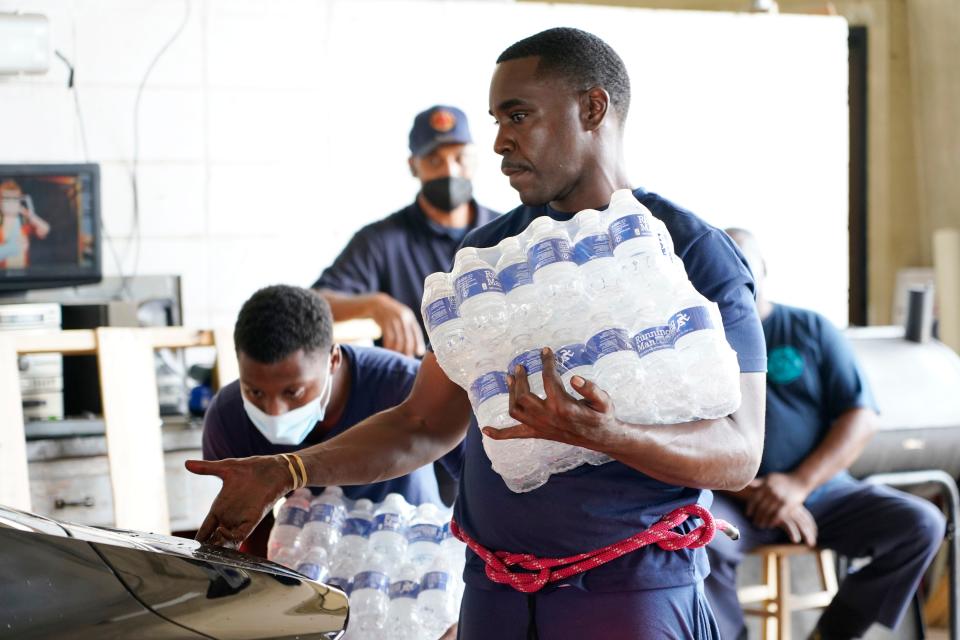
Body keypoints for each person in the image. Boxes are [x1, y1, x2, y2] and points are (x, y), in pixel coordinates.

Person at [188, 28, 769, 638]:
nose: (498, 143)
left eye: (519, 116)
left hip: (623, 593)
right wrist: (288, 469)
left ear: (593, 109)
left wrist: (606, 433)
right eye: (496, 119)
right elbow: (423, 424)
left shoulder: (691, 252)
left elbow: (738, 452)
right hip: (495, 594)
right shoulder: (488, 256)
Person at [704, 229, 946, 640]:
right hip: (732, 497)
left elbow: (862, 416)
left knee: (921, 524)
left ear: (765, 270)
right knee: (695, 537)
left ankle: (831, 635)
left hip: (823, 493)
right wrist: (755, 489)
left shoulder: (809, 327)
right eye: (724, 268)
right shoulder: (700, 344)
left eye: (746, 265)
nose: (737, 276)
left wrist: (797, 484)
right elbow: (683, 436)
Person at [200, 284, 463, 556]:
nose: (274, 411)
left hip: (412, 561)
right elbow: (250, 536)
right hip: (311, 561)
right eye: (255, 392)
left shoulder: (407, 388)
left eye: (294, 392)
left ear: (333, 360)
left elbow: (475, 481)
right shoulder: (228, 417)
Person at [312, 105, 500, 357]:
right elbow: (316, 302)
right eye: (434, 160)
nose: (449, 171)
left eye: (459, 158)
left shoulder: (506, 231)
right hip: (415, 386)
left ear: (475, 160)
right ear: (414, 167)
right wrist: (373, 304)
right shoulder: (380, 240)